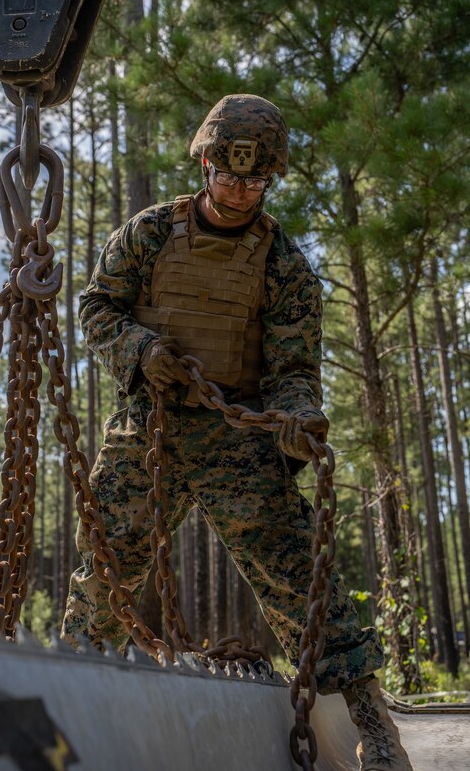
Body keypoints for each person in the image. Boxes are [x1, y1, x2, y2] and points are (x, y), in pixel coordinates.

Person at [62, 94, 412, 770]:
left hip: (238, 437)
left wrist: (298, 419)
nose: (238, 191)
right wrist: (139, 349)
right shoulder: (148, 233)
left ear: (270, 179)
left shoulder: (285, 266)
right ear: (205, 165)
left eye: (254, 181)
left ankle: (371, 723)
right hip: (151, 425)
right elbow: (97, 307)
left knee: (297, 576)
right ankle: (70, 693)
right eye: (227, 174)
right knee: (106, 564)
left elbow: (292, 370)